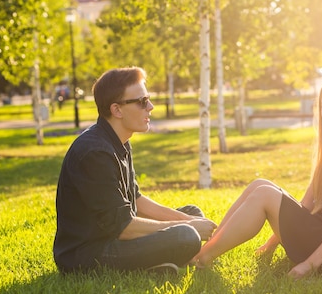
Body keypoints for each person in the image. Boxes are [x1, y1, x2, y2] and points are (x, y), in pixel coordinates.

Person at [192, 76, 322, 279]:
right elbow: (305, 206)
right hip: (321, 232)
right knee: (260, 184)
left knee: (264, 193)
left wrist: (310, 264)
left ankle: (202, 257)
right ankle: (209, 246)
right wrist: (272, 243)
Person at [53, 66, 217, 274]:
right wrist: (189, 228)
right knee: (186, 235)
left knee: (192, 213)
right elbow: (123, 228)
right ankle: (156, 265)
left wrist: (188, 220)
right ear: (117, 110)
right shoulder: (94, 153)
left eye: (147, 99)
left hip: (113, 237)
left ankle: (158, 265)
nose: (151, 107)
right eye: (142, 101)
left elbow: (136, 201)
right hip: (88, 255)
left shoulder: (119, 141)